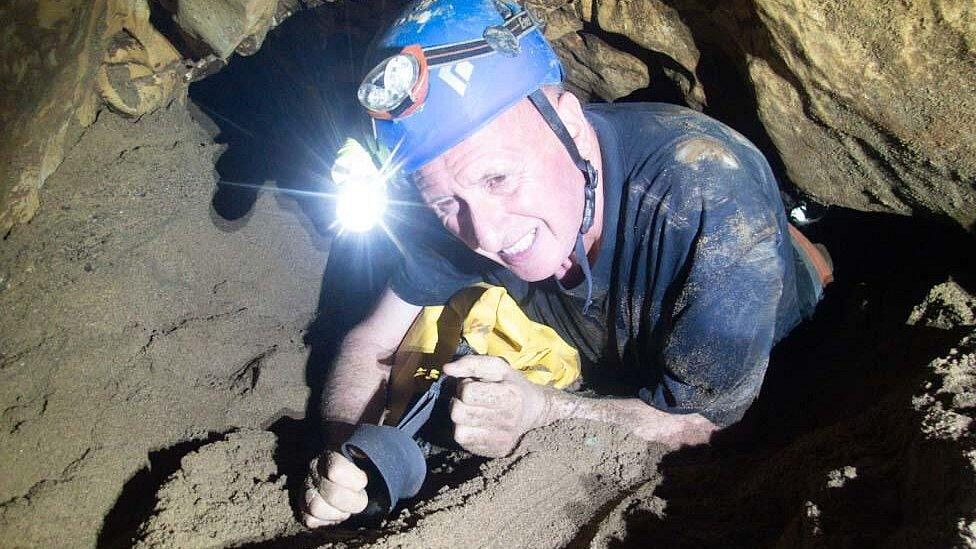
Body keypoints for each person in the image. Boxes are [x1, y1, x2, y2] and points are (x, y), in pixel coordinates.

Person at [302, 0, 833, 528]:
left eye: (498, 178)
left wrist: (545, 412)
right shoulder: (457, 189)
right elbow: (375, 339)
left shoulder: (708, 197)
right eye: (446, 204)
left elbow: (707, 425)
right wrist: (343, 452)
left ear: (571, 126)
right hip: (609, 335)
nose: (485, 234)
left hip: (776, 304)